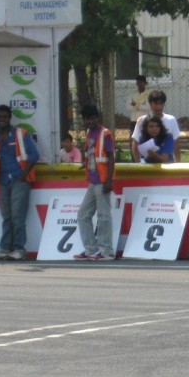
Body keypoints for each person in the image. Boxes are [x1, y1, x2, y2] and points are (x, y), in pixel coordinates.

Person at [0, 105, 39, 261]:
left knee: (17, 216)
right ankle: (4, 249)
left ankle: (19, 249)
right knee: (7, 217)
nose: (1, 120)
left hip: (19, 180)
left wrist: (23, 174)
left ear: (9, 118)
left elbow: (34, 155)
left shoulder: (21, 134)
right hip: (3, 180)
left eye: (4, 117)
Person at [74, 105, 115, 261]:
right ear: (84, 120)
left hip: (102, 180)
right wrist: (86, 164)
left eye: (93, 118)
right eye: (87, 119)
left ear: (97, 117)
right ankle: (90, 248)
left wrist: (109, 180)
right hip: (93, 180)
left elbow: (111, 157)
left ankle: (106, 250)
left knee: (103, 215)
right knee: (83, 215)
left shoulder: (105, 134)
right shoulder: (89, 133)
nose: (90, 121)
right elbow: (93, 154)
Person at [131, 89, 181, 162]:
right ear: (150, 104)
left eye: (161, 104)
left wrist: (178, 164)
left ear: (164, 104)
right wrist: (138, 164)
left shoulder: (171, 120)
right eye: (155, 104)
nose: (158, 107)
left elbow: (176, 143)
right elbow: (135, 143)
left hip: (166, 163)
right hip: (146, 164)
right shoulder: (141, 120)